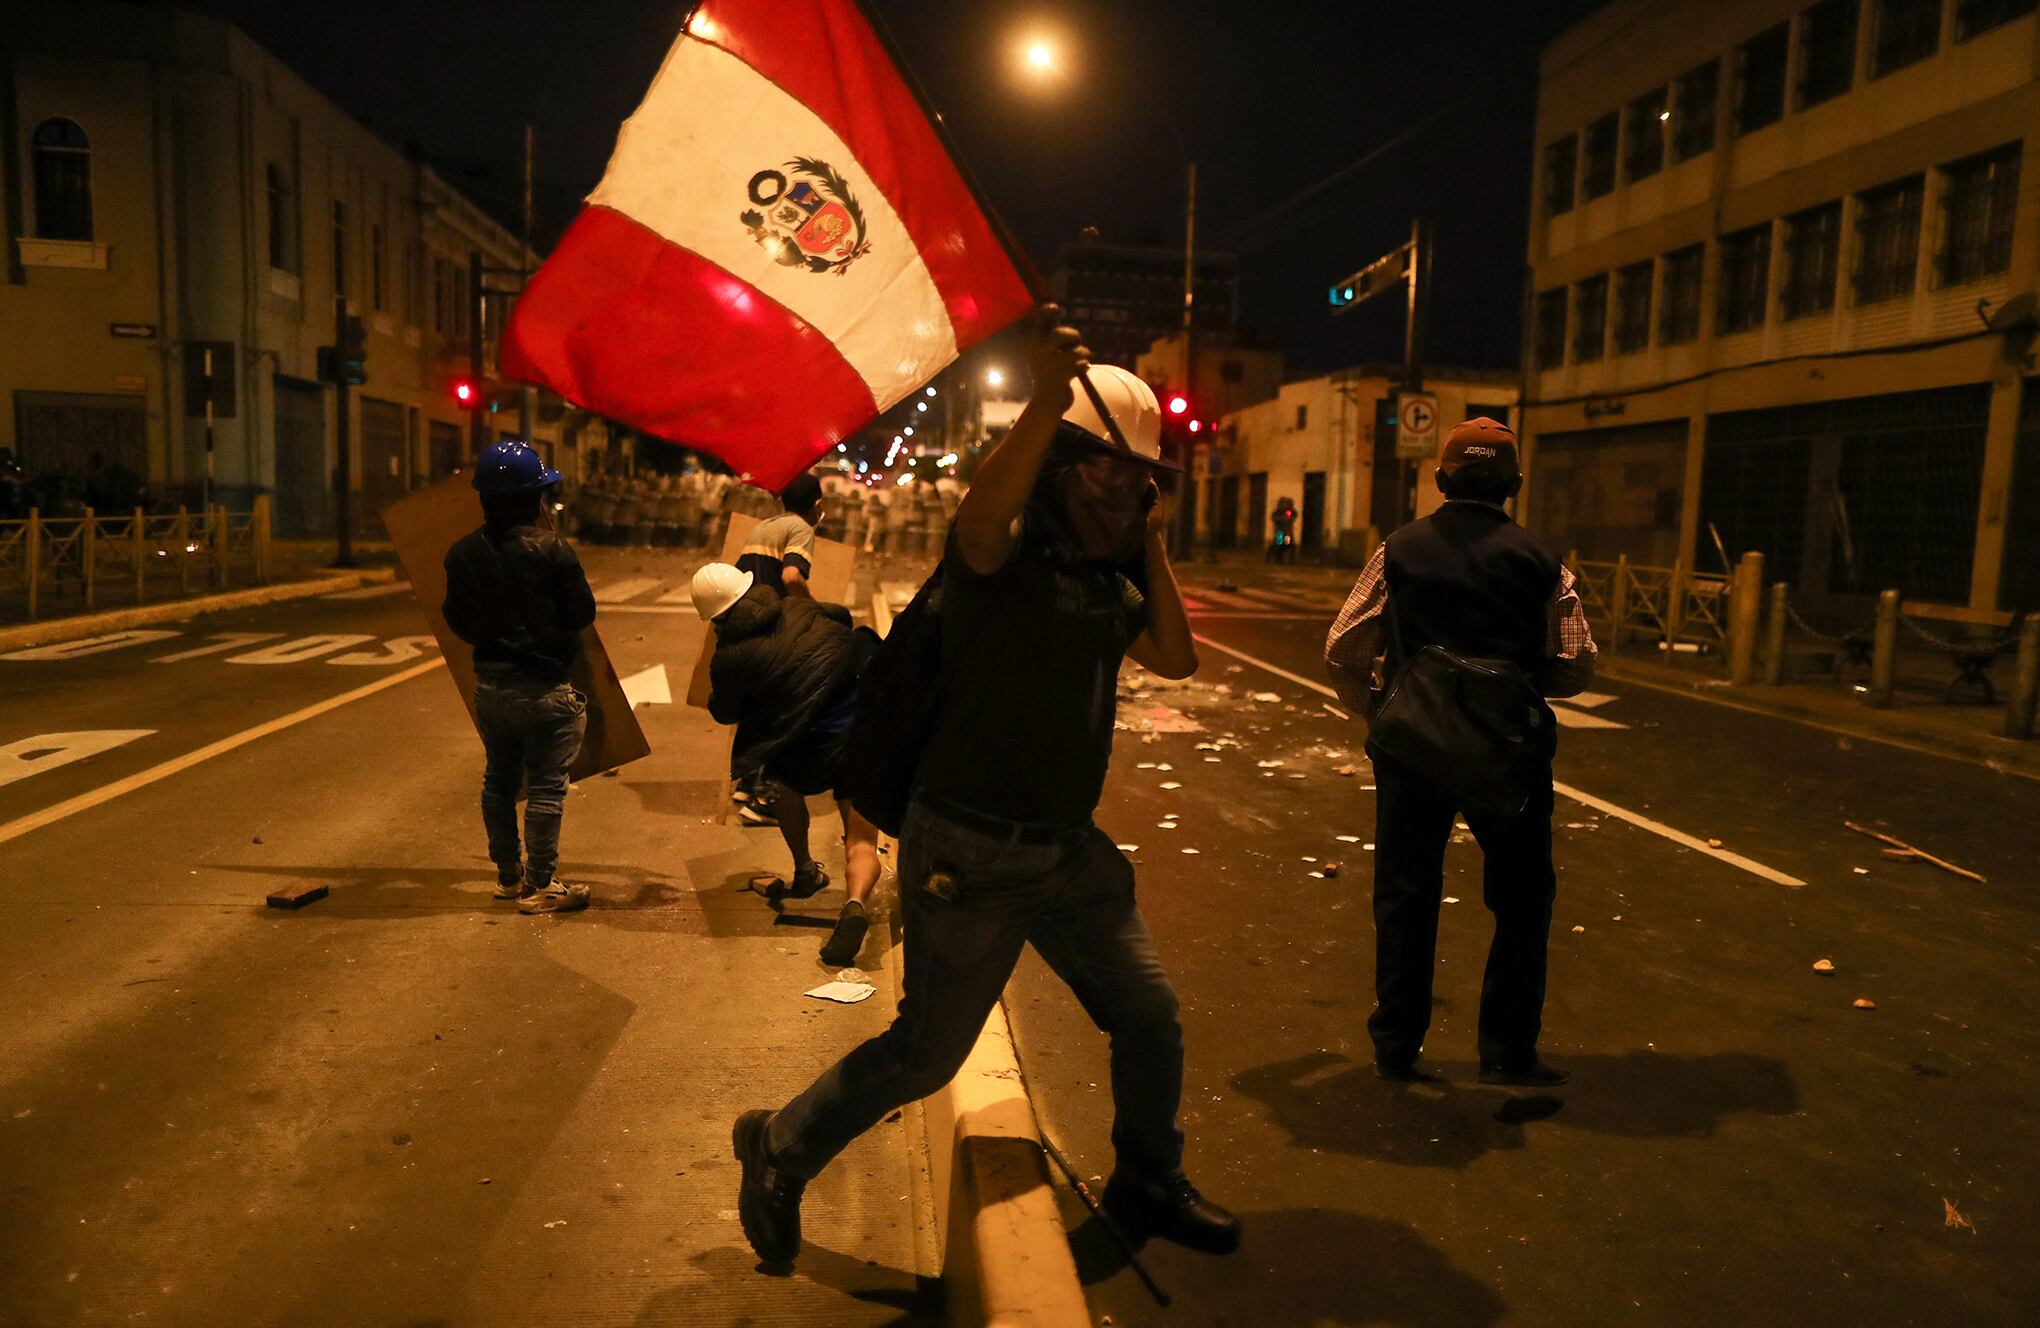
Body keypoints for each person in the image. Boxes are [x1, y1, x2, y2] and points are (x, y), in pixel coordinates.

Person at [732, 312, 1240, 1269]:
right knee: (926, 1053)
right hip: (970, 851)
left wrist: (1150, 543)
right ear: (1063, 465)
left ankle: (1147, 1176)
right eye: (1116, 472)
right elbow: (979, 519)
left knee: (1149, 1014)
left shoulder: (1106, 571)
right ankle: (779, 1148)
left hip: (1065, 851)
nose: (1132, 489)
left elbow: (1176, 658)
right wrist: (1045, 401)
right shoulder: (1004, 556)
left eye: (1145, 480)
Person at [1323, 417, 1596, 1086]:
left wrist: (1384, 711)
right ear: (1515, 484)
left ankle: (1396, 1044)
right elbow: (1573, 662)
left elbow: (1344, 648)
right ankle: (1506, 1051)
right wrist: (1521, 686)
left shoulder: (1399, 550)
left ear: (1441, 479)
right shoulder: (1541, 560)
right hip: (1507, 753)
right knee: (1522, 898)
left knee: (1405, 893)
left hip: (1414, 750)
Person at [694, 561, 880, 967]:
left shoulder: (729, 657)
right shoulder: (796, 607)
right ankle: (855, 904)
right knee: (861, 838)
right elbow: (842, 617)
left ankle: (805, 870)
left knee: (779, 780)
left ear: (715, 619)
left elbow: (725, 712)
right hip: (858, 729)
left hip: (806, 745)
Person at [442, 440, 599, 916]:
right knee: (548, 787)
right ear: (531, 499)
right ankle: (541, 886)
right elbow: (582, 613)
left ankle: (509, 877)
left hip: (491, 688)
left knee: (499, 781)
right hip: (545, 689)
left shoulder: (462, 553)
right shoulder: (552, 549)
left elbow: (456, 618)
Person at [737, 474, 824, 599]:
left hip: (748, 609)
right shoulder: (802, 528)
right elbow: (791, 577)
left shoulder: (763, 525)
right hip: (771, 611)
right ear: (817, 504)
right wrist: (811, 608)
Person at [1268, 496, 1298, 564]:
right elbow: (1275, 518)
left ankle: (1288, 560)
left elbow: (1290, 519)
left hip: (1287, 532)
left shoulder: (1289, 511)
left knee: (1287, 545)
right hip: (1280, 532)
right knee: (1279, 544)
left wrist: (1286, 518)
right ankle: (1277, 558)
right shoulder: (1278, 512)